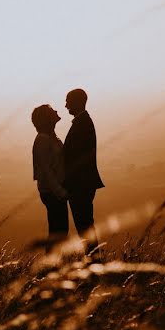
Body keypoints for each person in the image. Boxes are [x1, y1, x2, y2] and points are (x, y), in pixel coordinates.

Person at [63, 88, 104, 256]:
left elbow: (75, 157)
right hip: (83, 183)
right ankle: (93, 260)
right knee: (85, 224)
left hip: (80, 185)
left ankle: (93, 260)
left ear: (77, 102)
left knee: (84, 225)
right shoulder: (83, 122)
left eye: (68, 101)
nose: (65, 105)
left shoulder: (82, 124)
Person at [31, 104, 68, 244]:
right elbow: (46, 170)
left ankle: (53, 263)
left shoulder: (50, 137)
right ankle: (52, 263)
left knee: (60, 232)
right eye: (52, 110)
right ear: (46, 118)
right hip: (52, 192)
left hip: (54, 191)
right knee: (58, 233)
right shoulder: (43, 139)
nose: (56, 111)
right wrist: (60, 192)